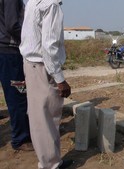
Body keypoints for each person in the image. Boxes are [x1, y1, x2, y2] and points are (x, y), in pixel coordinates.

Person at [19, 0, 73, 168]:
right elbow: (49, 46)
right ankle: (51, 165)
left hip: (31, 64)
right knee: (47, 119)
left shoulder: (33, 2)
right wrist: (60, 79)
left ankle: (49, 162)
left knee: (39, 119)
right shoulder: (51, 5)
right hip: (43, 68)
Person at [0, 0, 33, 151]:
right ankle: (20, 139)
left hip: (4, 50)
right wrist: (32, 40)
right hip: (10, 51)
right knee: (17, 95)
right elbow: (13, 25)